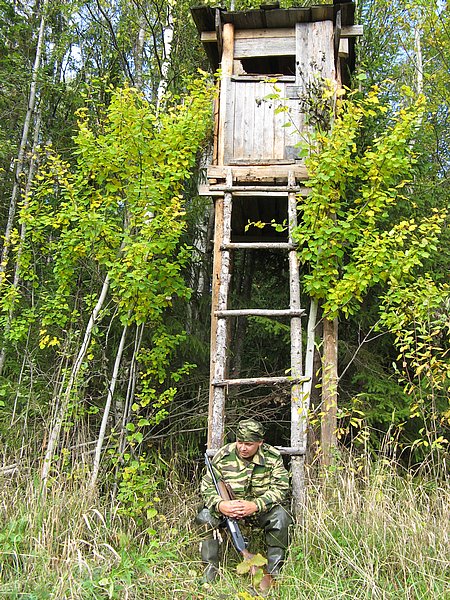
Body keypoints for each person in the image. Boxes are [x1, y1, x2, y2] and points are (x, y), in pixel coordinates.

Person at [196, 418, 293, 582]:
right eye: (240, 442)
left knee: (281, 517)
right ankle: (209, 574)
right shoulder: (223, 455)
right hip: (228, 513)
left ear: (260, 442)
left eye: (248, 444)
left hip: (259, 512)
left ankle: (274, 574)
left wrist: (256, 505)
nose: (242, 448)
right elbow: (207, 487)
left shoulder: (272, 457)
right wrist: (220, 505)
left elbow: (281, 487)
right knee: (205, 517)